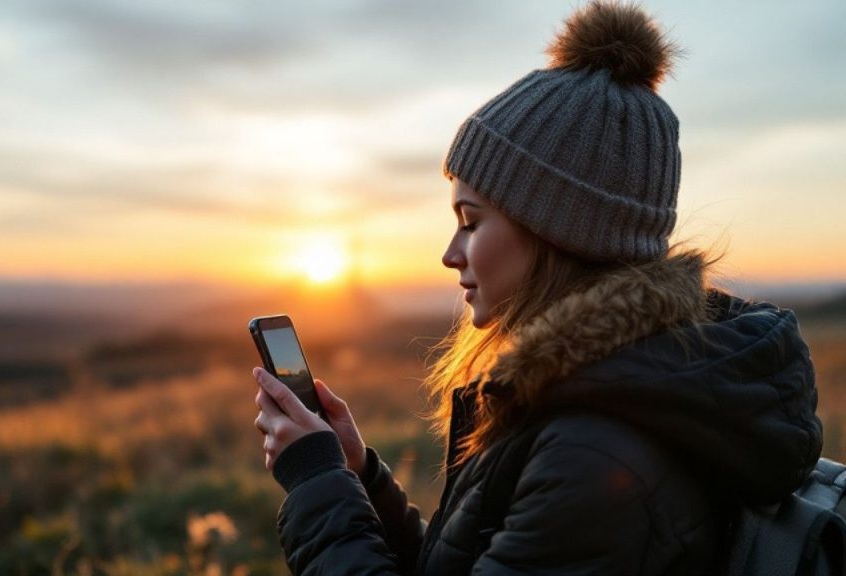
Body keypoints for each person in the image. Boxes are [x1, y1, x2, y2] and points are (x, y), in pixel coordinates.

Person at [251, 1, 822, 574]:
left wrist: (316, 483)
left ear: (561, 232)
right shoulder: (598, 398)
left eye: (471, 223)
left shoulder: (593, 455)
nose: (451, 255)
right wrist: (360, 476)